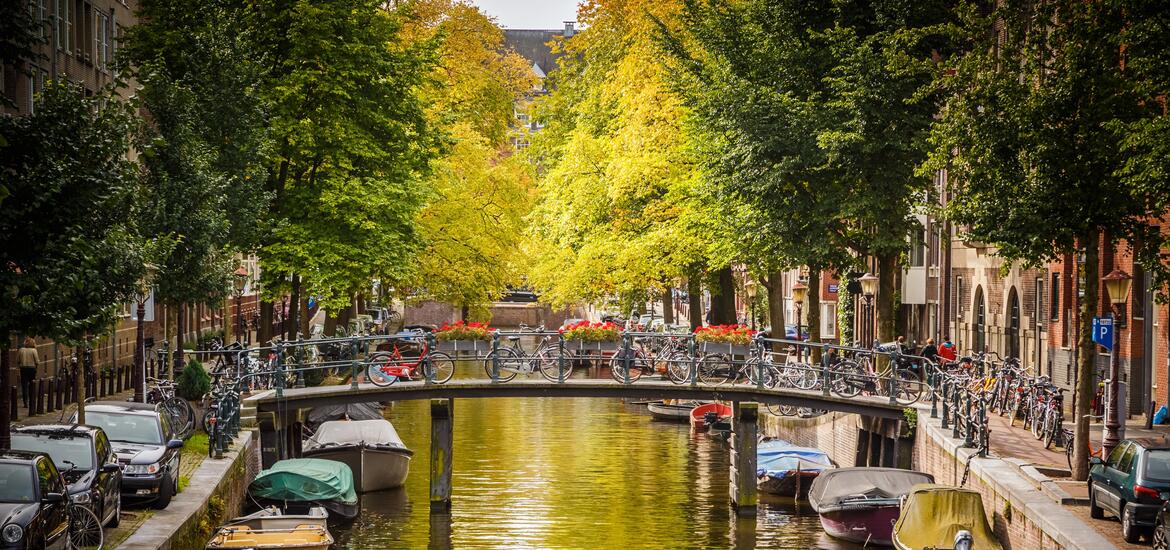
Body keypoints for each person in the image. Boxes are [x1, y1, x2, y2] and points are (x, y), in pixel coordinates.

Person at [17, 337, 39, 409]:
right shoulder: (34, 350)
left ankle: (25, 402)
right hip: (32, 369)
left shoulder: (21, 350)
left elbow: (17, 360)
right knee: (32, 385)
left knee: (24, 385)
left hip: (23, 369)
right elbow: (37, 361)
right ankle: (31, 401)